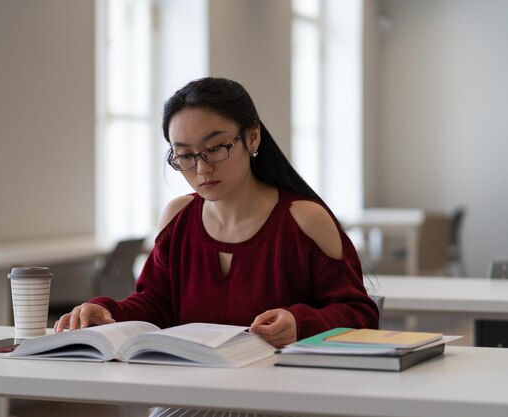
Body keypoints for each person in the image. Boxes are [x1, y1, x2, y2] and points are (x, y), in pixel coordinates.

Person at [55, 77, 379, 416]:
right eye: (185, 156)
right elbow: (156, 305)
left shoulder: (304, 219)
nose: (202, 168)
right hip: (194, 398)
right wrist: (109, 313)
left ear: (252, 137)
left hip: (286, 402)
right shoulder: (178, 218)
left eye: (215, 148)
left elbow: (363, 316)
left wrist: (300, 324)